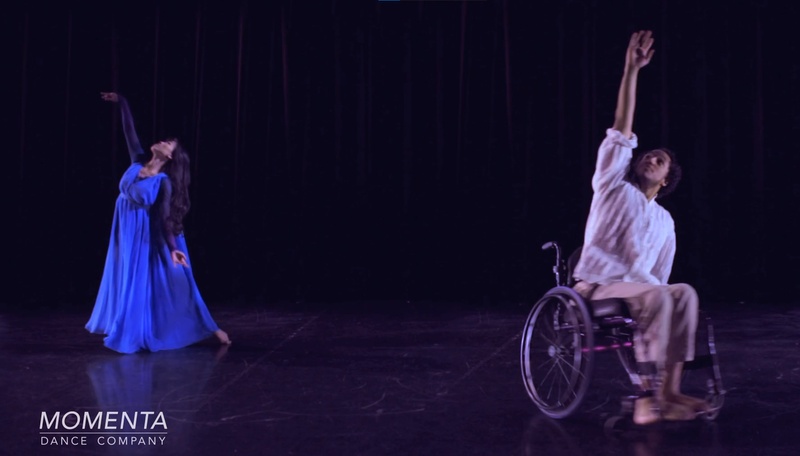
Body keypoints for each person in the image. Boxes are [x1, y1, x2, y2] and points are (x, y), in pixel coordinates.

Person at [572, 31, 708, 425]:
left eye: (660, 160)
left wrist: (659, 292)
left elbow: (660, 276)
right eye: (648, 154)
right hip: (597, 285)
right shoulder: (613, 185)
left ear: (666, 179)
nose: (651, 157)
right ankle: (647, 397)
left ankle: (670, 391)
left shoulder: (665, 221)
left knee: (681, 293)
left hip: (639, 287)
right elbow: (620, 129)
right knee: (659, 297)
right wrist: (631, 70)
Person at [86, 91, 231, 354]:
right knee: (124, 276)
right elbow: (129, 131)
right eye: (165, 140)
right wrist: (122, 101)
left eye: (168, 144)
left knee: (162, 279)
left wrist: (173, 247)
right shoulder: (137, 160)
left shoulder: (163, 182)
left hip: (142, 234)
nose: (163, 142)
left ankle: (207, 327)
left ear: (171, 157)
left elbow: (164, 218)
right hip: (123, 231)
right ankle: (126, 323)